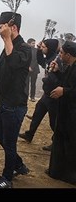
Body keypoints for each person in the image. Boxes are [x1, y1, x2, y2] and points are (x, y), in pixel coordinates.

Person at [0, 11, 31, 188]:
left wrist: (8, 39)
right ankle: (18, 164)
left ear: (13, 27)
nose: (0, 30)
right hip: (4, 102)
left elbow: (14, 63)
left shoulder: (25, 49)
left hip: (15, 104)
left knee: (9, 142)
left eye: (2, 27)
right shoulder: (6, 48)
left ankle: (7, 178)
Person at [18, 39, 60, 151]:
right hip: (47, 94)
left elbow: (58, 78)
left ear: (50, 48)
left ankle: (57, 141)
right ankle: (29, 134)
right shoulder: (49, 59)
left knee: (53, 121)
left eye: (44, 47)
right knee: (37, 113)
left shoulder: (56, 60)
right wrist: (38, 50)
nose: (42, 48)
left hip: (54, 96)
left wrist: (47, 80)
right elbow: (41, 61)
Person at [46, 40, 76, 185]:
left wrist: (64, 91)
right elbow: (65, 81)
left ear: (69, 55)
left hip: (72, 115)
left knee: (70, 145)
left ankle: (69, 175)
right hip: (64, 113)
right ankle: (56, 171)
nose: (60, 54)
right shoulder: (70, 67)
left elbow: (69, 88)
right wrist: (58, 71)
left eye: (62, 53)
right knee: (60, 142)